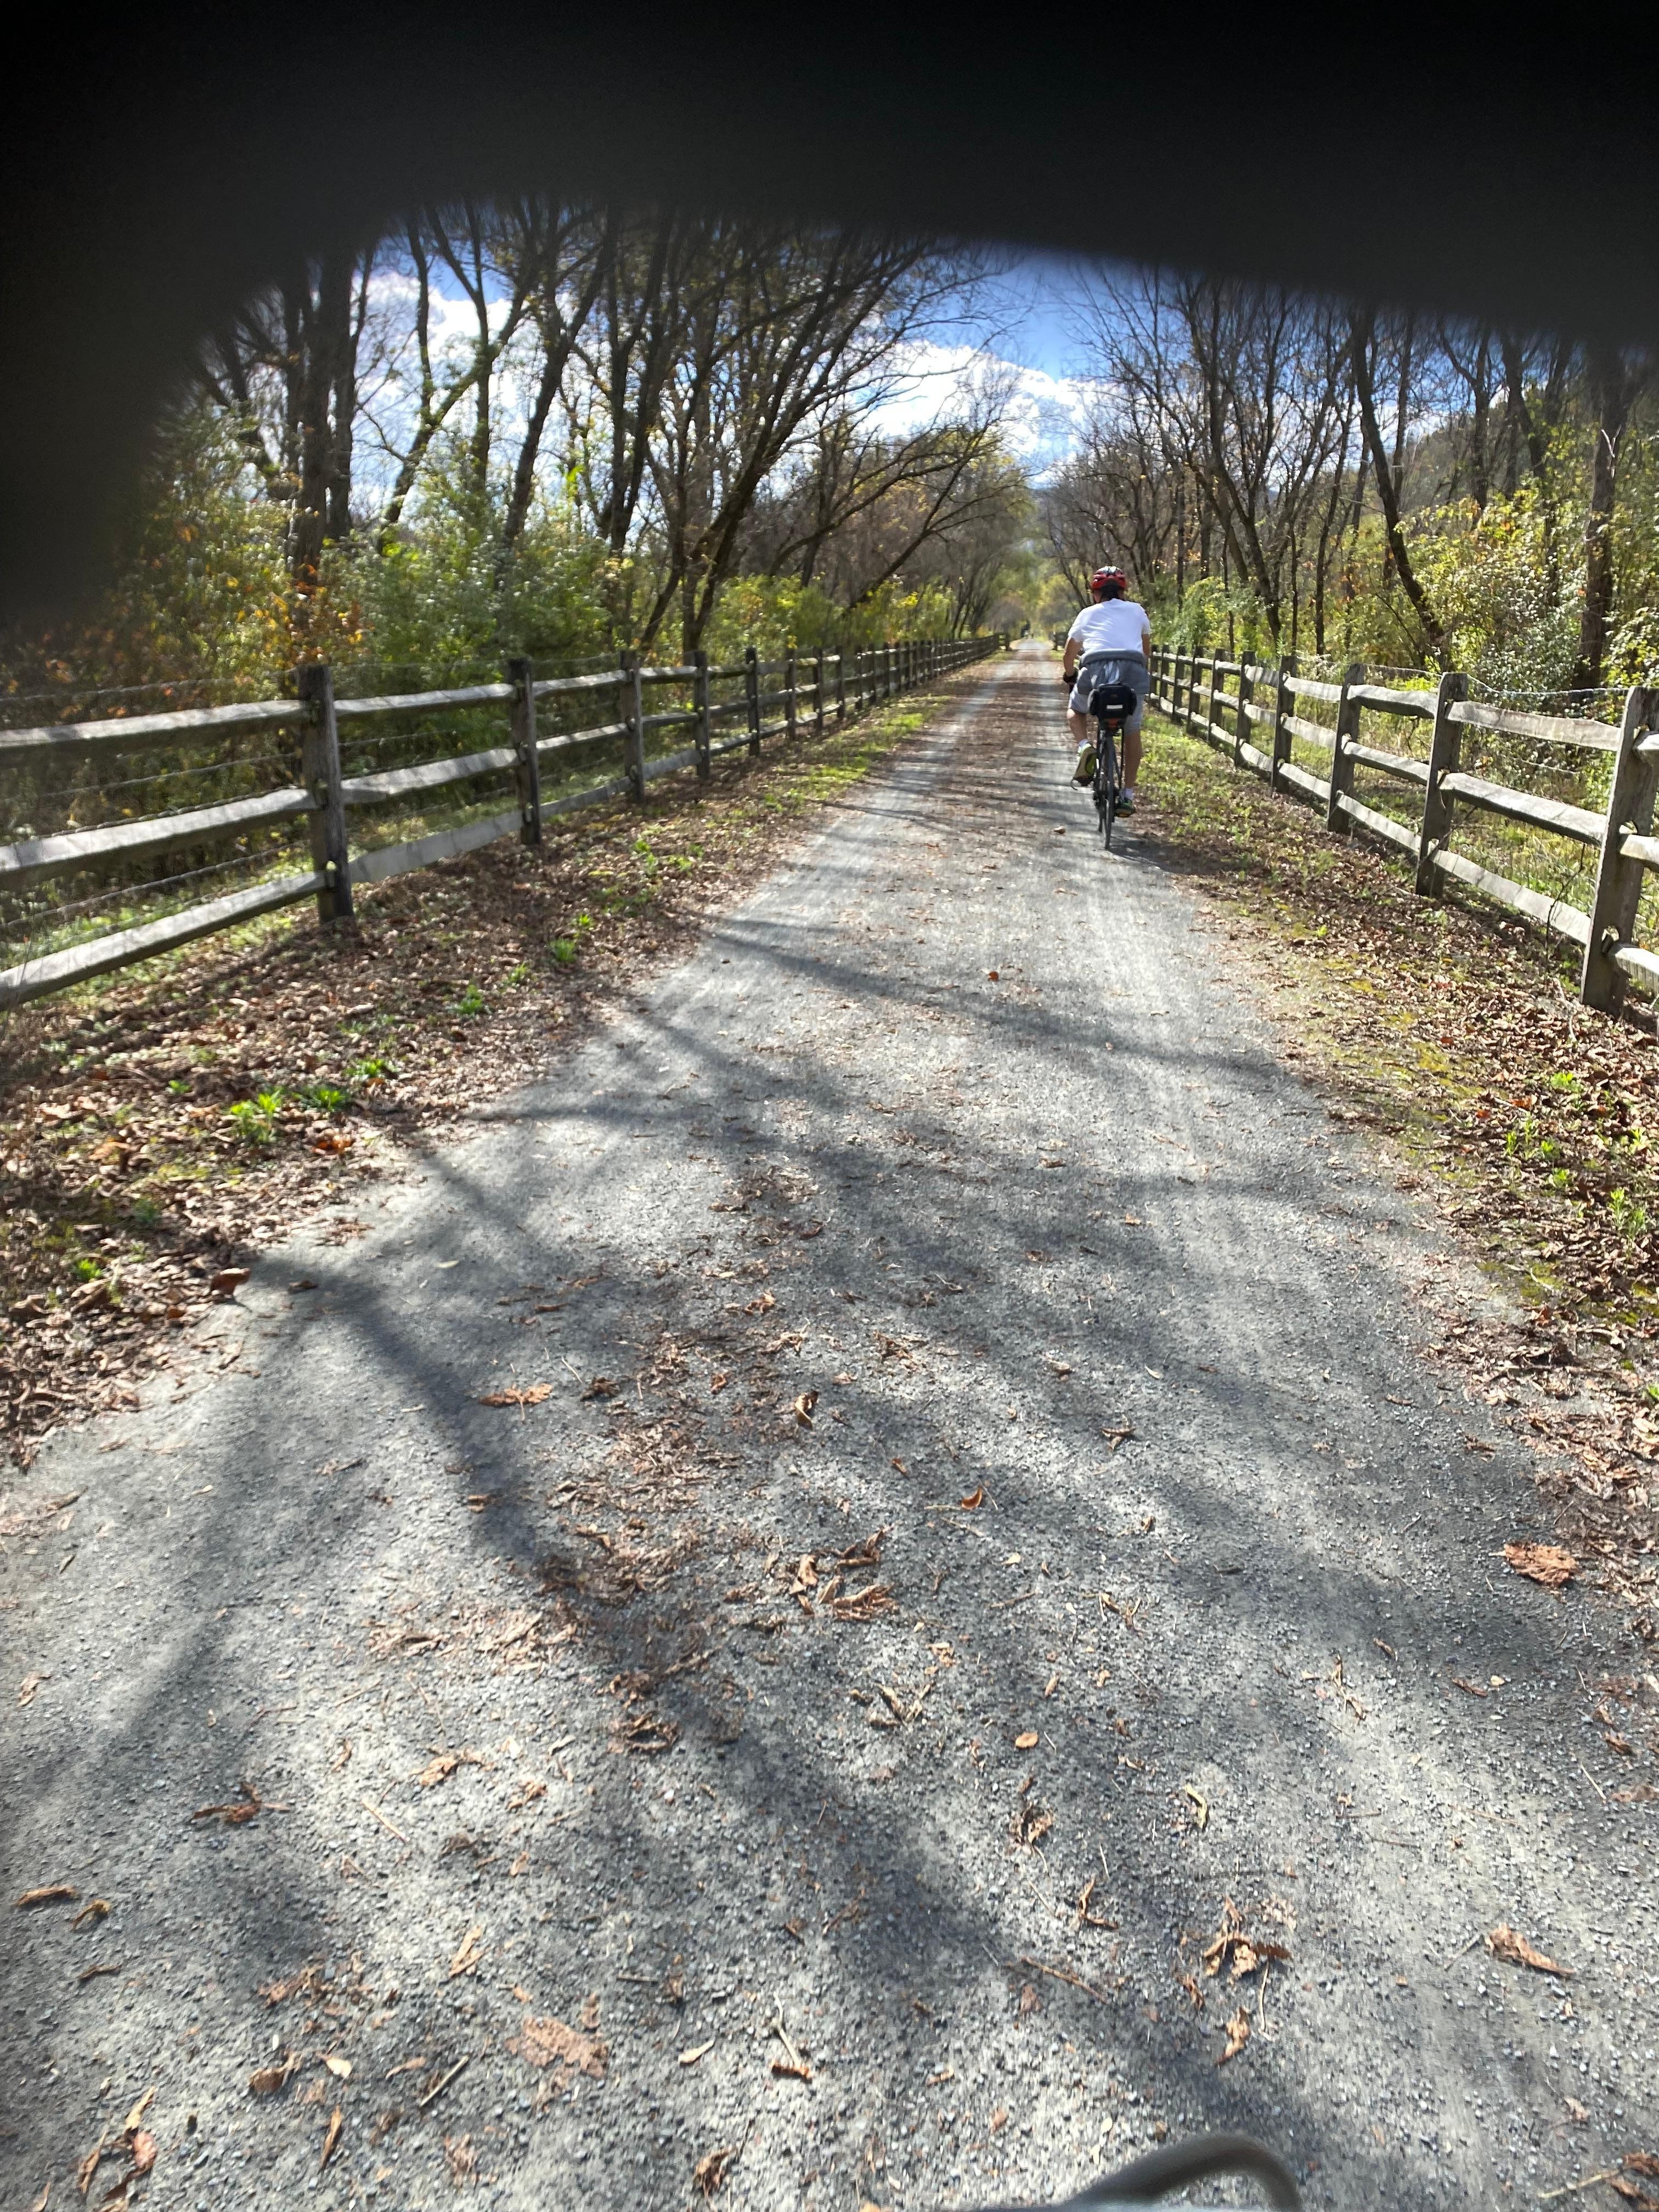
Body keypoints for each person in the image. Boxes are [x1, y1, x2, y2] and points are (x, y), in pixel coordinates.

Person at [1062, 567, 1152, 812]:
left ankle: (1085, 748)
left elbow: (1070, 653)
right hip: (1133, 674)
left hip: (1095, 671)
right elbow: (1146, 652)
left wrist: (1070, 675)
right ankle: (1128, 795)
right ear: (1123, 592)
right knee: (1132, 731)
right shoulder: (1137, 611)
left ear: (1095, 593)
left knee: (1075, 710)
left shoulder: (1087, 614)